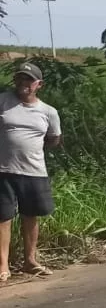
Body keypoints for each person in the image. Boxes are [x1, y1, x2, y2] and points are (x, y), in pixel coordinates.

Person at [1, 62, 62, 283]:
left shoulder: (48, 112)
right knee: (3, 217)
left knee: (31, 215)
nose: (23, 83)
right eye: (20, 78)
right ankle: (3, 266)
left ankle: (30, 261)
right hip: (3, 170)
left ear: (39, 84)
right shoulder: (3, 101)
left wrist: (31, 149)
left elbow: (54, 139)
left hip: (34, 170)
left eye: (28, 79)